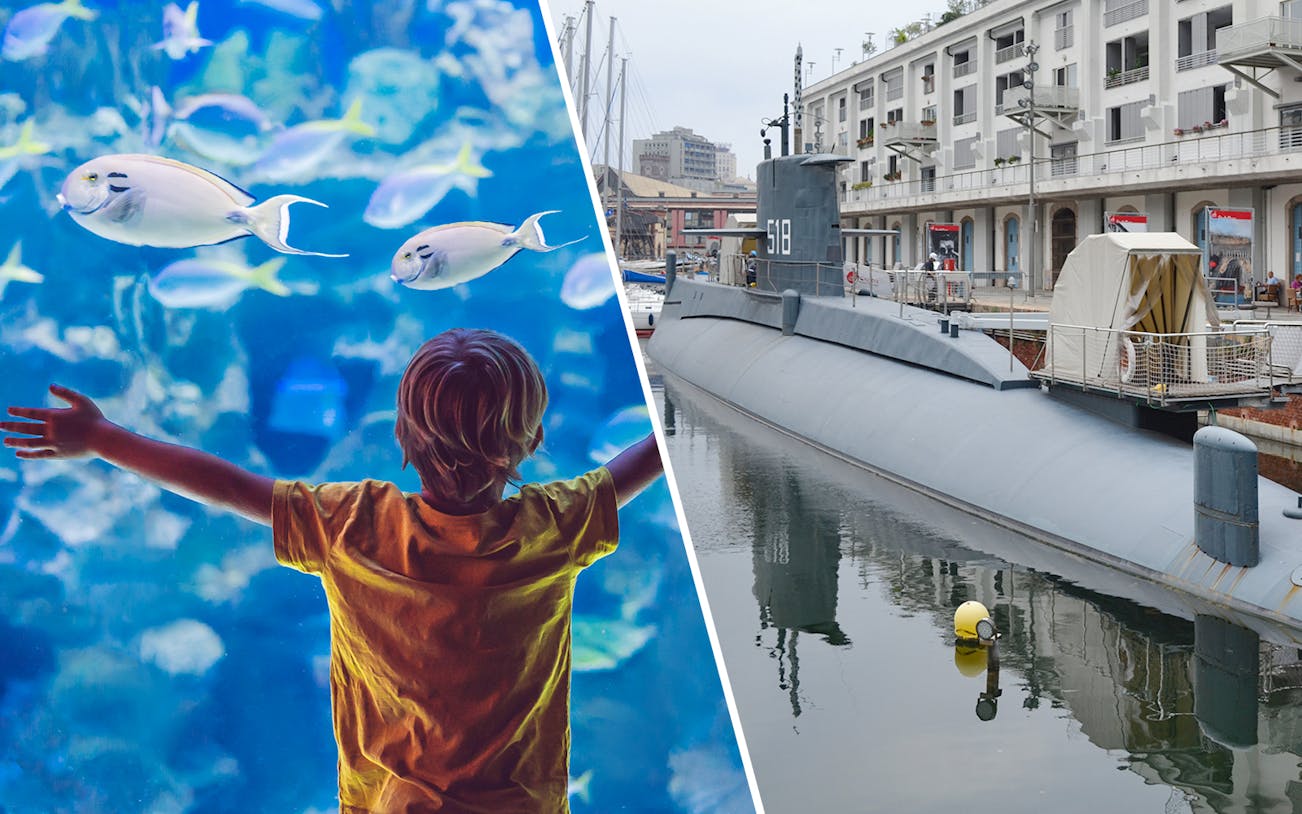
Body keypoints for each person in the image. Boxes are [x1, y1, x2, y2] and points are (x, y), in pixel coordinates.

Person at [2, 328, 664, 813]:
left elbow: (227, 487)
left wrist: (100, 438)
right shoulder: (556, 527)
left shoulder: (354, 525)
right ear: (533, 439)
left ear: (402, 436)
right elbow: (647, 457)